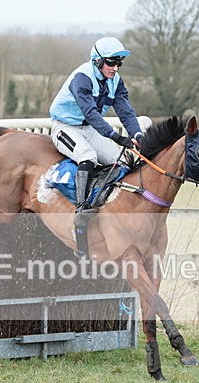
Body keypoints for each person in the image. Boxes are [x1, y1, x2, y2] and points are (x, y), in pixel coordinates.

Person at [49, 37, 145, 254]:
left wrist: (137, 134)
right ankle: (81, 210)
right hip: (65, 127)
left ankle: (107, 204)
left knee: (122, 159)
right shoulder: (82, 78)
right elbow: (91, 114)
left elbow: (126, 111)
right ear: (97, 61)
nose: (115, 67)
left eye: (119, 63)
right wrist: (115, 136)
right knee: (88, 156)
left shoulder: (115, 81)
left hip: (89, 130)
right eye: (111, 62)